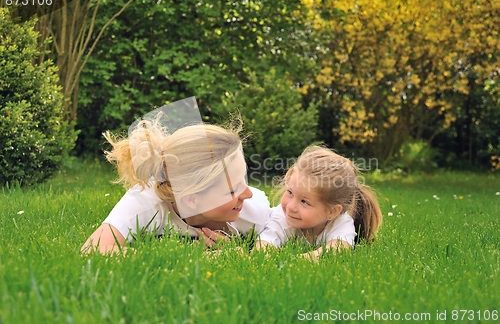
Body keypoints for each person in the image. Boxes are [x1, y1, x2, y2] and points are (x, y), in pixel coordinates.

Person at [81, 117, 271, 254]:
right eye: (232, 190)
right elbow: (95, 248)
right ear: (191, 199)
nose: (248, 194)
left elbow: (285, 232)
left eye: (243, 180)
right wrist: (179, 254)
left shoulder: (254, 212)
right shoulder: (146, 200)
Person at [254, 146, 382, 261]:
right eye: (290, 192)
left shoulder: (340, 223)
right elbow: (264, 243)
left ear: (332, 212)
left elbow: (338, 250)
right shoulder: (283, 215)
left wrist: (297, 260)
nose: (291, 207)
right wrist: (265, 254)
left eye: (304, 202)